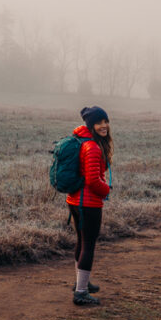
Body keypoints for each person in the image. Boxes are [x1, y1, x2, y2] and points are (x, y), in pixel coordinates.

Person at [68, 106, 113, 306]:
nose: (104, 126)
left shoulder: (82, 141)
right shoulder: (92, 147)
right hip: (88, 203)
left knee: (81, 241)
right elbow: (93, 180)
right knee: (88, 246)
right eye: (99, 122)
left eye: (105, 121)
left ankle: (81, 282)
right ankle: (81, 293)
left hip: (75, 200)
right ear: (91, 125)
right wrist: (107, 190)